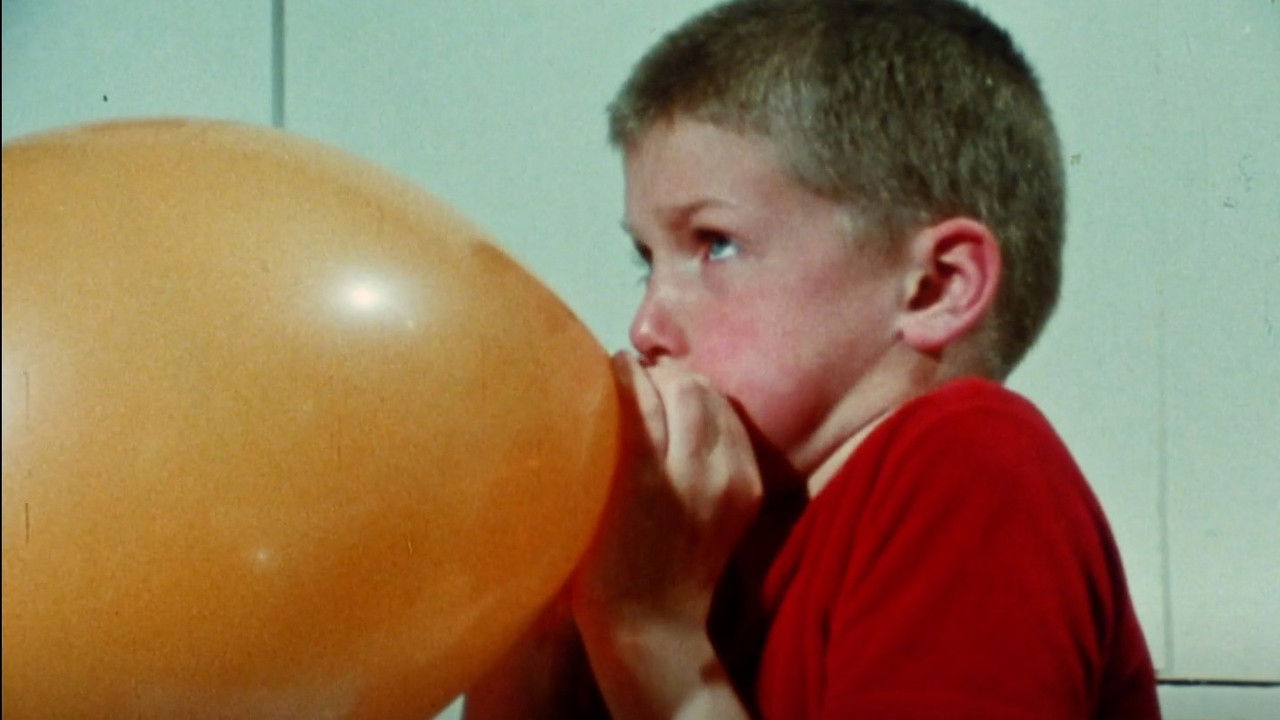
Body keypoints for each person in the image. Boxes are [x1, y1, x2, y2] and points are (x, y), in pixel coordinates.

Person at [466, 0, 1160, 717]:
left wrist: (650, 629)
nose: (646, 327)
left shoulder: (972, 462)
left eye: (715, 244)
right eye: (647, 259)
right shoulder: (690, 543)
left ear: (936, 287)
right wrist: (537, 622)